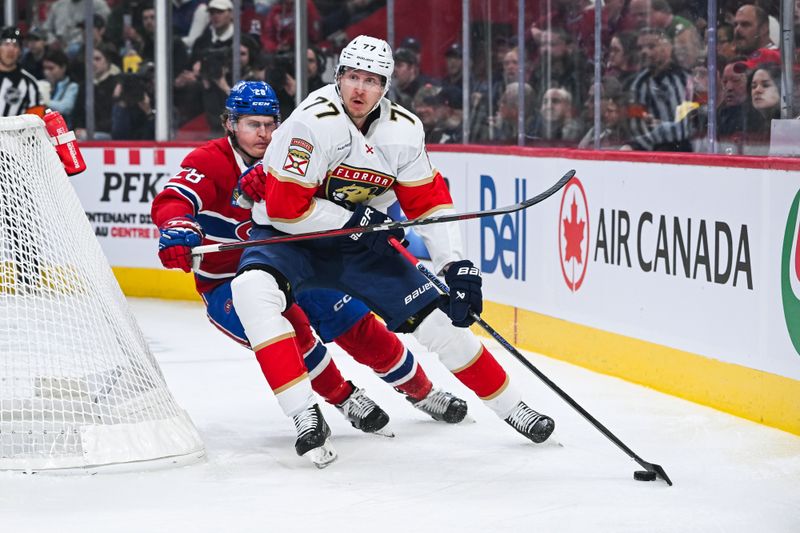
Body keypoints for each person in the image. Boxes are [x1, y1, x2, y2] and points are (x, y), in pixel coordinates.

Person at [231, 35, 556, 463]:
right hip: (295, 241)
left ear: (386, 86)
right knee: (251, 291)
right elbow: (287, 209)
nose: (359, 90)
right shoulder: (311, 122)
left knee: (443, 322)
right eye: (351, 78)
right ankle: (303, 415)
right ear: (338, 78)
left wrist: (456, 265)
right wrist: (352, 220)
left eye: (371, 80)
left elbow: (428, 201)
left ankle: (515, 409)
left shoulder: (405, 130)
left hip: (361, 247)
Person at [151, 81, 468, 456]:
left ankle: (421, 390)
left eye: (271, 124)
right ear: (229, 124)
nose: (264, 134)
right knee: (294, 335)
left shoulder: (294, 150)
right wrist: (178, 227)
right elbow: (174, 200)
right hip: (229, 282)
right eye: (253, 124)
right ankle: (344, 398)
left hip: (297, 263)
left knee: (356, 324)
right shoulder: (210, 160)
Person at [0, 27, 43, 117]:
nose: (10, 49)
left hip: (16, 131)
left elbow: (36, 121)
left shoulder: (30, 83)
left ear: (20, 51)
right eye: (6, 44)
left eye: (15, 45)